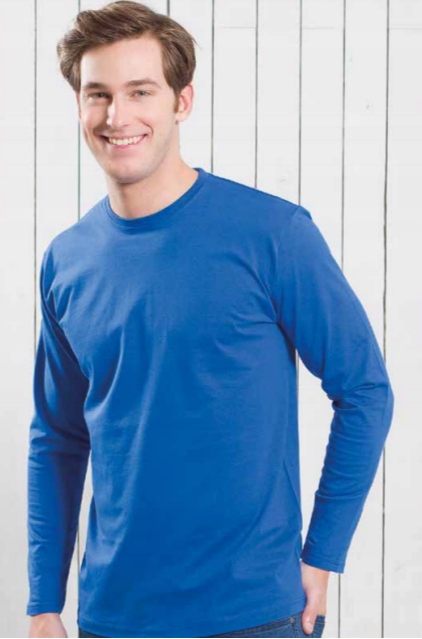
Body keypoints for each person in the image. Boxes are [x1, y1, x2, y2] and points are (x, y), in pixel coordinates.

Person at [26, 2, 394, 638]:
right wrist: (42, 604)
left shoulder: (273, 233)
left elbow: (365, 390)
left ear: (182, 101)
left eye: (141, 91)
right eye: (98, 94)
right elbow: (57, 438)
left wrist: (323, 555)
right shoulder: (67, 260)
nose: (117, 116)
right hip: (113, 618)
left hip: (256, 615)